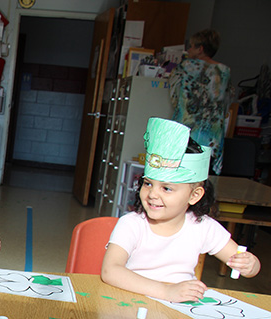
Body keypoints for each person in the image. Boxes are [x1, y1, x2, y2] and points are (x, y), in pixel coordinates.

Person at [101, 118, 260, 302]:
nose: (152, 194)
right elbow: (110, 271)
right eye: (148, 183)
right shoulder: (131, 224)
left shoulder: (203, 227)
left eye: (166, 188)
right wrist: (166, 292)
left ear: (194, 196)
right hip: (130, 302)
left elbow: (239, 259)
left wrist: (251, 265)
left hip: (181, 309)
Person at [170, 28, 232, 175]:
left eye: (191, 46)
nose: (188, 50)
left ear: (200, 49)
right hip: (212, 136)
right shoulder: (225, 71)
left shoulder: (186, 67)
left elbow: (174, 95)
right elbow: (228, 101)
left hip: (187, 133)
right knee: (204, 178)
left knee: (181, 177)